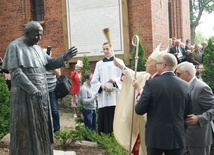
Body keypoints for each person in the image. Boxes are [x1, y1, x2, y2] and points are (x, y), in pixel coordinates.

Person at [2, 21, 77, 155]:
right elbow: (17, 73)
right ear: (28, 32)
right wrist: (32, 89)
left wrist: (64, 58)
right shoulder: (15, 47)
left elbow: (50, 63)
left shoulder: (37, 48)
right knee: (27, 129)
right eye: (36, 34)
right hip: (25, 96)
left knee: (42, 126)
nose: (39, 38)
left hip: (41, 95)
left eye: (40, 35)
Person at [113, 44, 167, 155]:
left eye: (148, 63)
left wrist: (138, 88)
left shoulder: (158, 80)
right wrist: (122, 67)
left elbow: (152, 99)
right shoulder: (148, 76)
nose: (145, 65)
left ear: (154, 66)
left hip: (153, 121)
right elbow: (133, 75)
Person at [135, 53, 192, 155]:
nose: (155, 66)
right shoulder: (186, 86)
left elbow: (139, 110)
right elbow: (187, 114)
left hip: (155, 136)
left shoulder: (151, 84)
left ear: (164, 65)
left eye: (157, 63)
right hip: (177, 136)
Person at [176, 62, 214, 155]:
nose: (176, 76)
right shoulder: (181, 86)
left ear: (188, 74)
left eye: (178, 74)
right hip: (183, 136)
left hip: (198, 138)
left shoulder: (201, 88)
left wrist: (199, 118)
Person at [91, 42, 124, 134]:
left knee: (115, 113)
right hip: (104, 95)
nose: (105, 51)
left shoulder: (119, 62)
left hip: (115, 94)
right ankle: (105, 135)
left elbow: (124, 76)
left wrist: (115, 81)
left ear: (111, 49)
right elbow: (94, 80)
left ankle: (117, 135)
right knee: (105, 115)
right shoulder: (99, 64)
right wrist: (100, 85)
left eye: (107, 49)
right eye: (104, 49)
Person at [46, 50, 61, 132]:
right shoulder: (40, 64)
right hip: (43, 91)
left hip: (52, 90)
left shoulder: (54, 63)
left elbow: (59, 74)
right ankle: (47, 128)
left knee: (54, 110)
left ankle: (57, 128)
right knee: (44, 110)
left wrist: (51, 67)